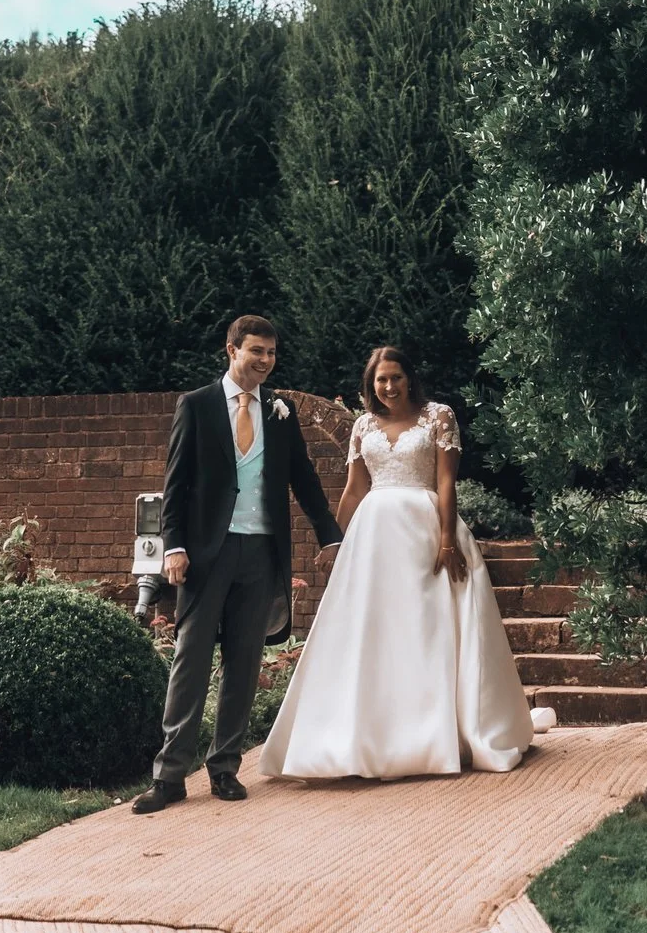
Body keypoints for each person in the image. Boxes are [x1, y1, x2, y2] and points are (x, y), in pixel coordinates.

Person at [256, 344, 532, 780]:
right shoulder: (363, 424)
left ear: (409, 378)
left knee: (427, 626)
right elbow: (354, 488)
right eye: (380, 380)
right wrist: (334, 541)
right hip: (373, 539)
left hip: (425, 530)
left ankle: (437, 733)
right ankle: (370, 736)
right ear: (371, 385)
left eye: (395, 377)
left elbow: (446, 481)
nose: (388, 386)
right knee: (375, 630)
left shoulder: (438, 416)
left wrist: (446, 539)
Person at [134, 315, 344, 814]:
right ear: (231, 350)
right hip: (207, 552)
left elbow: (303, 477)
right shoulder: (197, 405)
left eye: (271, 352)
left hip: (262, 552)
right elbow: (176, 483)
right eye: (256, 351)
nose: (265, 360)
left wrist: (330, 535)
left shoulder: (280, 410)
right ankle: (169, 777)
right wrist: (174, 546)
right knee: (191, 659)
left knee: (244, 661)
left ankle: (225, 768)